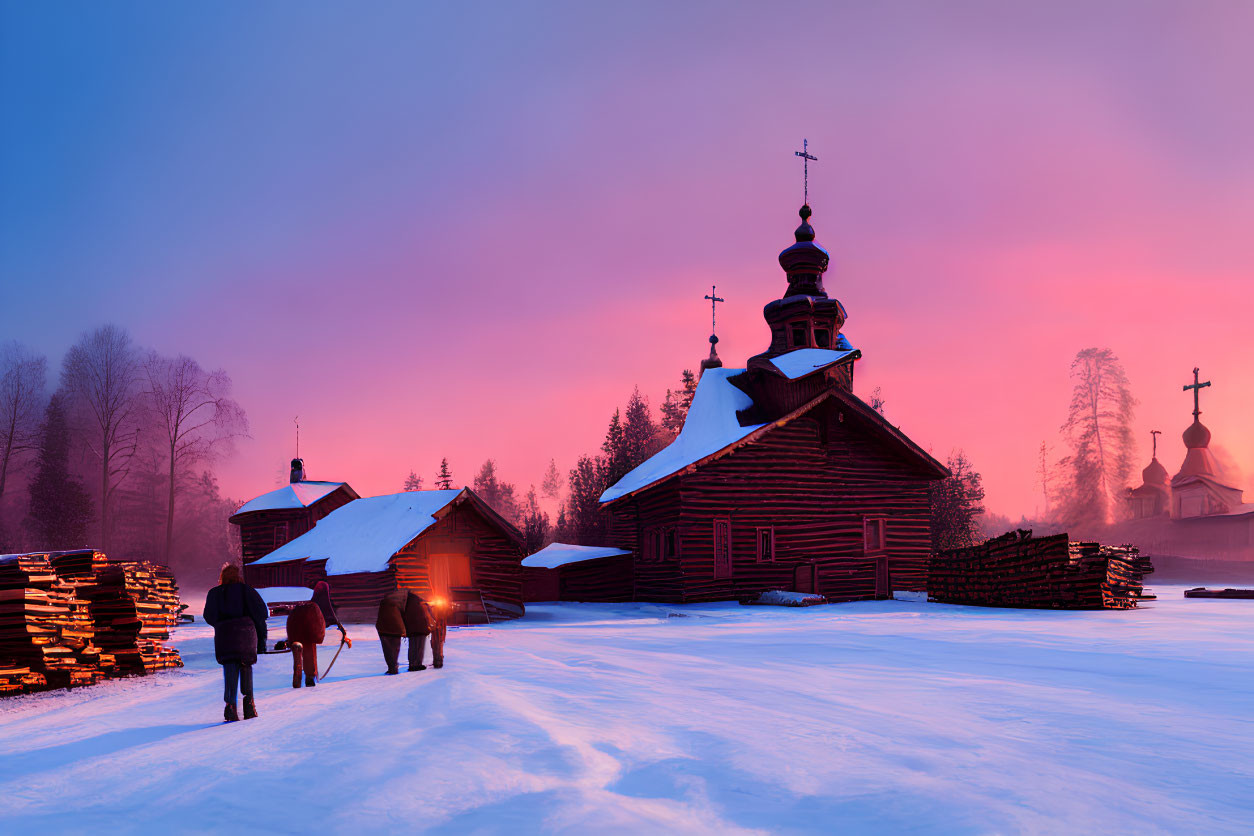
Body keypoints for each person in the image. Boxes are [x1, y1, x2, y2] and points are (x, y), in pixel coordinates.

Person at [203, 563, 268, 722]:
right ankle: (249, 706)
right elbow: (261, 614)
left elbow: (208, 616)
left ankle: (230, 707)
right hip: (246, 636)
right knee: (246, 666)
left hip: (225, 637)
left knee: (229, 668)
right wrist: (261, 641)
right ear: (238, 576)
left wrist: (221, 624)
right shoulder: (246, 590)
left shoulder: (214, 593)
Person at [286, 580, 351, 688]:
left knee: (299, 653)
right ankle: (310, 677)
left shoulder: (306, 604)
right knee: (309, 652)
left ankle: (299, 677)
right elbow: (325, 616)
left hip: (297, 630)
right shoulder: (315, 605)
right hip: (309, 630)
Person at [375, 589, 431, 674]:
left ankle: (393, 668)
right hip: (414, 627)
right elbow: (418, 619)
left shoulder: (390, 600)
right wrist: (403, 630)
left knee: (390, 648)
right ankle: (414, 665)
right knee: (416, 643)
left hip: (384, 627)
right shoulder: (415, 601)